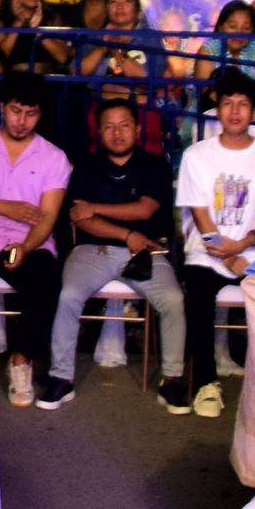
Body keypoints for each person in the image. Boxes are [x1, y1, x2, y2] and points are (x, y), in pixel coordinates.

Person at [41, 97, 187, 406]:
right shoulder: (86, 167)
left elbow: (144, 209)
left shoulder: (155, 166)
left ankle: (172, 379)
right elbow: (81, 219)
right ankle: (60, 377)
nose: (117, 133)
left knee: (173, 300)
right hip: (93, 251)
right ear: (99, 131)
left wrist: (95, 208)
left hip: (146, 252)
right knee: (68, 296)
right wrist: (127, 234)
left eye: (124, 126)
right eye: (109, 126)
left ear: (137, 130)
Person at [176, 70, 255, 420]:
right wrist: (228, 256)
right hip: (208, 253)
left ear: (254, 111)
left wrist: (244, 245)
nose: (235, 111)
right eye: (228, 103)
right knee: (197, 297)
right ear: (217, 109)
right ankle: (205, 383)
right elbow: (200, 214)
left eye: (243, 104)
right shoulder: (197, 155)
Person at [0, 72, 70, 409]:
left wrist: (26, 247)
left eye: (30, 113)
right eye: (15, 111)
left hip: (27, 243)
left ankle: (21, 361)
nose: (21, 121)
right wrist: (6, 207)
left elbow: (48, 216)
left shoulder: (53, 157)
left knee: (46, 281)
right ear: (2, 107)